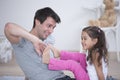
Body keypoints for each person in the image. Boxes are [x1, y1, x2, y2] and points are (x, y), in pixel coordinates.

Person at [4, 7, 73, 80]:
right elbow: (8, 27)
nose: (51, 31)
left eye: (53, 27)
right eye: (49, 26)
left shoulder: (49, 39)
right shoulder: (21, 42)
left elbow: (36, 67)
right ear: (37, 22)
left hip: (64, 77)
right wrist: (35, 40)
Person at [42, 26, 108, 80]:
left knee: (73, 65)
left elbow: (100, 73)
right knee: (81, 56)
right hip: (88, 75)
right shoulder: (92, 50)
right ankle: (59, 53)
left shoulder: (96, 54)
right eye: (81, 38)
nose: (82, 41)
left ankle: (49, 61)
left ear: (94, 41)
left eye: (85, 39)